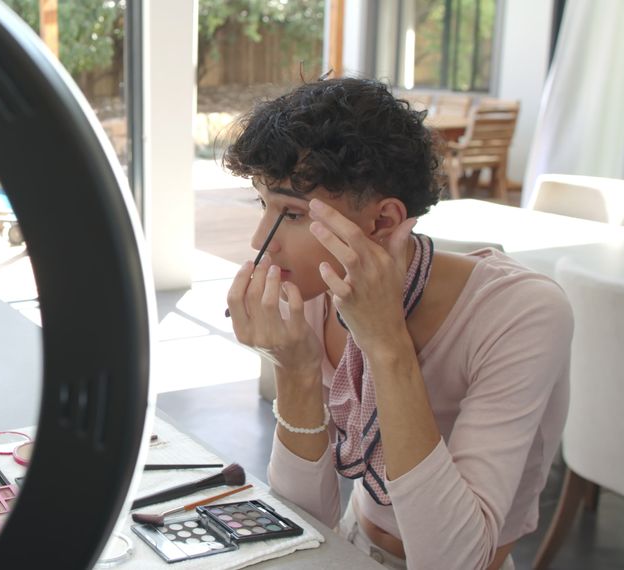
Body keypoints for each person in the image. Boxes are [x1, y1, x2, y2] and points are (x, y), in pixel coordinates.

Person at [223, 78, 572, 570]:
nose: (262, 240)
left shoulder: (521, 313)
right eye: (263, 205)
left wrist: (386, 343)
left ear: (383, 222)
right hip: (351, 547)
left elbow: (455, 561)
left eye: (292, 214)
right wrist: (295, 370)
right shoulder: (319, 294)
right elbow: (305, 526)